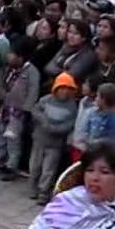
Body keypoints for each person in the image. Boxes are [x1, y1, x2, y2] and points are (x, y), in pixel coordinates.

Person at [0, 36, 40, 180]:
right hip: (4, 108)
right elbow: (3, 85)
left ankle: (11, 166)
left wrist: (26, 110)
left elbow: (33, 92)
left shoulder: (32, 72)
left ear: (21, 56)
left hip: (18, 112)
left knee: (13, 140)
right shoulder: (9, 69)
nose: (8, 56)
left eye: (12, 53)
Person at [29, 72, 79, 204]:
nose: (65, 92)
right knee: (35, 165)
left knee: (48, 170)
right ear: (56, 88)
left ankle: (43, 192)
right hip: (40, 139)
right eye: (62, 88)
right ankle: (32, 187)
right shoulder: (46, 100)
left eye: (68, 89)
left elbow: (70, 124)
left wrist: (55, 129)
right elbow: (35, 110)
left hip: (55, 143)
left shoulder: (72, 106)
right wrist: (43, 121)